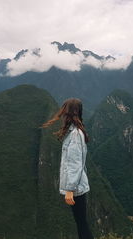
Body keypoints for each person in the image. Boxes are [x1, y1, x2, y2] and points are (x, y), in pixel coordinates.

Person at [41, 97, 94, 239]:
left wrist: (70, 189)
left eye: (65, 111)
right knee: (80, 222)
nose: (62, 114)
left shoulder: (75, 135)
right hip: (77, 186)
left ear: (69, 112)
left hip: (76, 188)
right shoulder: (74, 131)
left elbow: (75, 163)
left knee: (81, 223)